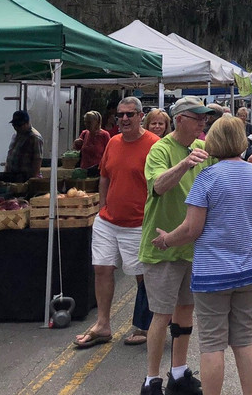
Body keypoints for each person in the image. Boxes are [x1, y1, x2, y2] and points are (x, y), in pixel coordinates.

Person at [153, 116, 252, 395]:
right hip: (250, 271)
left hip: (212, 274)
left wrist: (166, 240)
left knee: (212, 344)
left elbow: (191, 229)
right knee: (245, 340)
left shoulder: (207, 178)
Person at [138, 96, 216, 395]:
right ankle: (151, 379)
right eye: (197, 118)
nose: (203, 122)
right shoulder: (160, 149)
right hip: (163, 246)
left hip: (191, 244)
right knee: (161, 313)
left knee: (185, 310)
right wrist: (184, 164)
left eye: (204, 118)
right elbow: (158, 185)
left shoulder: (200, 147)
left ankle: (179, 372)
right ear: (180, 119)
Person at [74, 97, 160, 356]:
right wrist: (103, 207)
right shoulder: (112, 142)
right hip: (108, 221)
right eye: (120, 115)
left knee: (142, 276)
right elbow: (104, 176)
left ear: (140, 116)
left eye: (129, 115)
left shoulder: (154, 145)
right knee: (101, 268)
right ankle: (103, 325)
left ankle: (147, 325)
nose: (124, 119)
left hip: (138, 224)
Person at [5, 109, 43, 181]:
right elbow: (10, 155)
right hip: (12, 177)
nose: (16, 128)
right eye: (14, 125)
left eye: (19, 125)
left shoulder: (34, 137)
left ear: (27, 123)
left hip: (25, 178)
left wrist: (31, 180)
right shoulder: (15, 135)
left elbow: (37, 160)